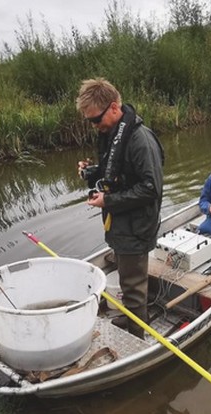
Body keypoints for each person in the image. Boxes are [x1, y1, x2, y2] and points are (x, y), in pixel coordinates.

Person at [76, 78, 164, 338]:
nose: (95, 126)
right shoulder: (112, 134)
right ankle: (131, 318)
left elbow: (151, 188)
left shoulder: (140, 140)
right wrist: (91, 173)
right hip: (120, 222)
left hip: (136, 226)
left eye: (96, 119)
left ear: (114, 108)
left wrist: (109, 201)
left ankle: (136, 338)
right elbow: (114, 173)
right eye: (90, 121)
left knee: (133, 285)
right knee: (127, 281)